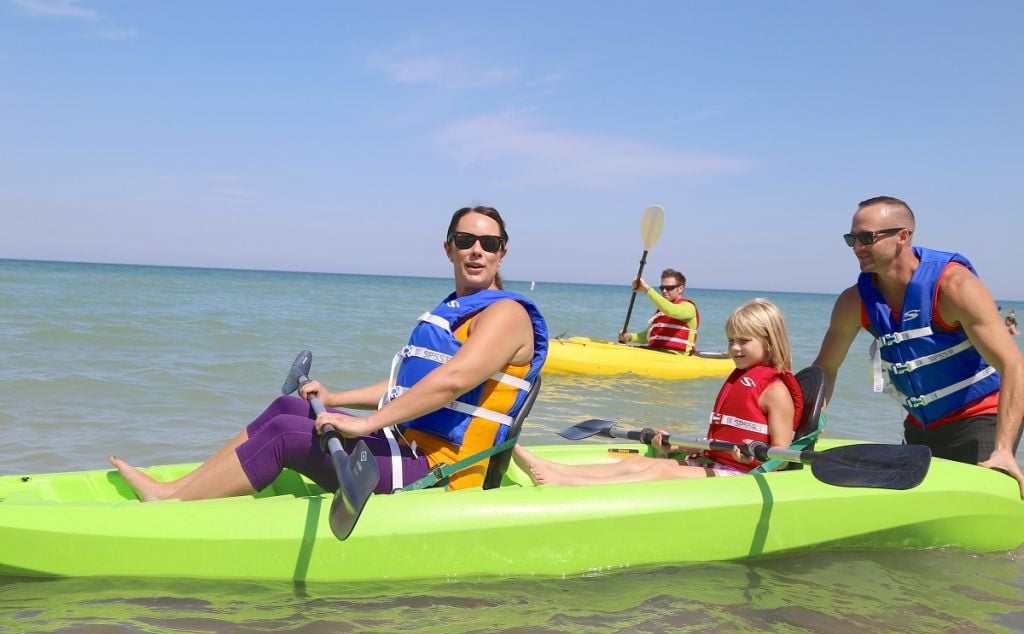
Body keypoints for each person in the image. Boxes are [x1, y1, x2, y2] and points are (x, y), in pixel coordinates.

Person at [111, 206, 549, 500]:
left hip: (440, 474)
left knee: (286, 436)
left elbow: (453, 382)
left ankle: (172, 503)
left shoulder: (506, 313)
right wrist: (337, 400)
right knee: (288, 408)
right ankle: (183, 488)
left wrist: (367, 425)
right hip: (406, 445)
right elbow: (406, 389)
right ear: (448, 247)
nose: (476, 250)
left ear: (502, 253)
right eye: (465, 239)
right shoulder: (456, 310)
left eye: (488, 244)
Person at [812, 196, 1024, 497]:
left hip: (979, 419)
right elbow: (825, 369)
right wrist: (807, 424)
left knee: (970, 513)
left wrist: (1004, 449)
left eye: (866, 237)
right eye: (852, 239)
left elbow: (1014, 365)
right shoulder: (855, 301)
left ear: (902, 236)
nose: (857, 247)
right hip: (920, 427)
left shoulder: (954, 287)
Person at [516, 298, 802, 485]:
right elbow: (720, 438)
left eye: (744, 341)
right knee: (636, 462)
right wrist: (682, 446)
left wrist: (749, 457)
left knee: (658, 470)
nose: (735, 348)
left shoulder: (775, 391)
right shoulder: (742, 378)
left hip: (740, 476)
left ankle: (566, 483)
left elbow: (781, 457)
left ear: (769, 341)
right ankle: (555, 469)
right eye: (731, 341)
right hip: (715, 461)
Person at [617, 268, 700, 354]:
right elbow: (647, 337)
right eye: (662, 288)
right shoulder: (661, 310)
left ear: (681, 289)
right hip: (655, 353)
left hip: (676, 357)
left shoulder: (689, 307)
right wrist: (628, 337)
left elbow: (671, 310)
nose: (664, 291)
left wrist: (647, 289)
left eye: (669, 288)